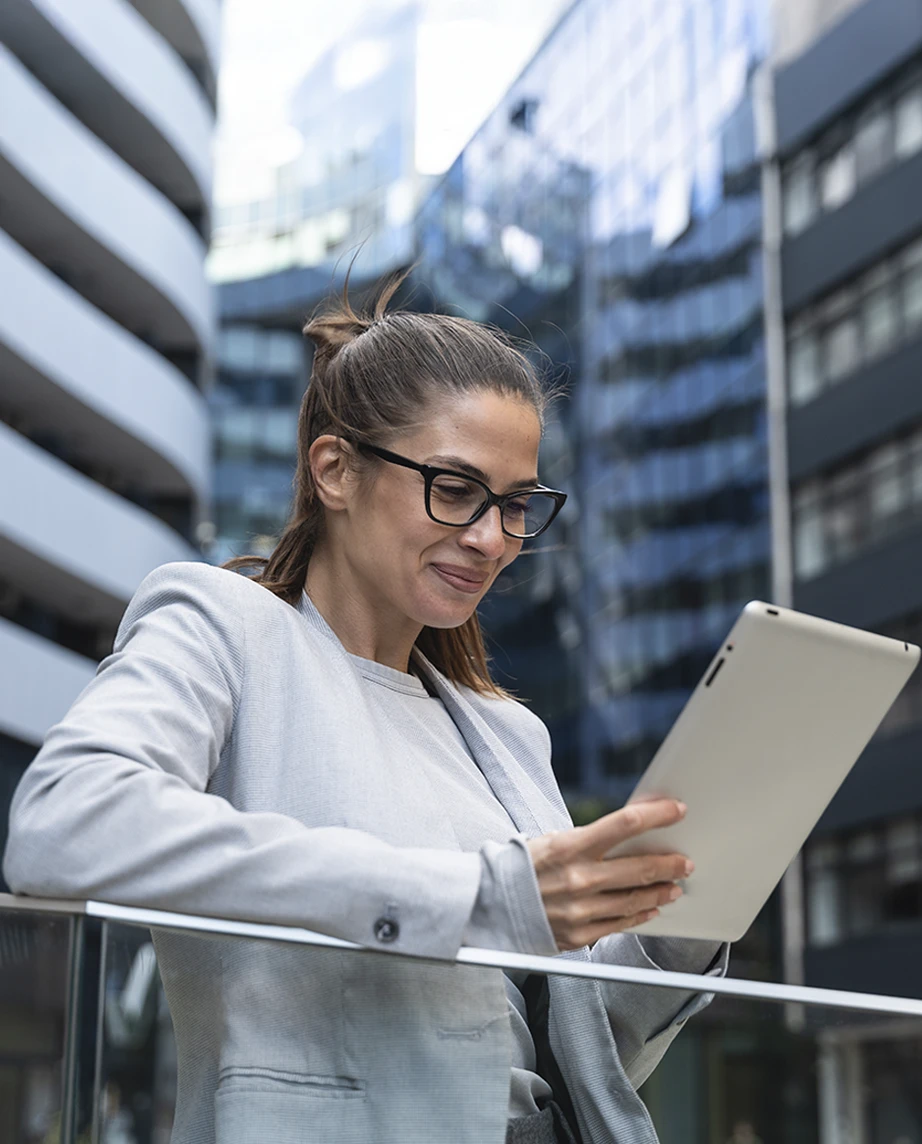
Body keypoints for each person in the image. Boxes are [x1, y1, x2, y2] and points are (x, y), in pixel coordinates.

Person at [4, 274, 729, 1144]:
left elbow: (578, 1054)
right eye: (455, 490)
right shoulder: (227, 630)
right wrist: (471, 896)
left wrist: (684, 922)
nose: (493, 539)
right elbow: (62, 825)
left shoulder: (506, 732)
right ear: (336, 471)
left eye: (515, 505)